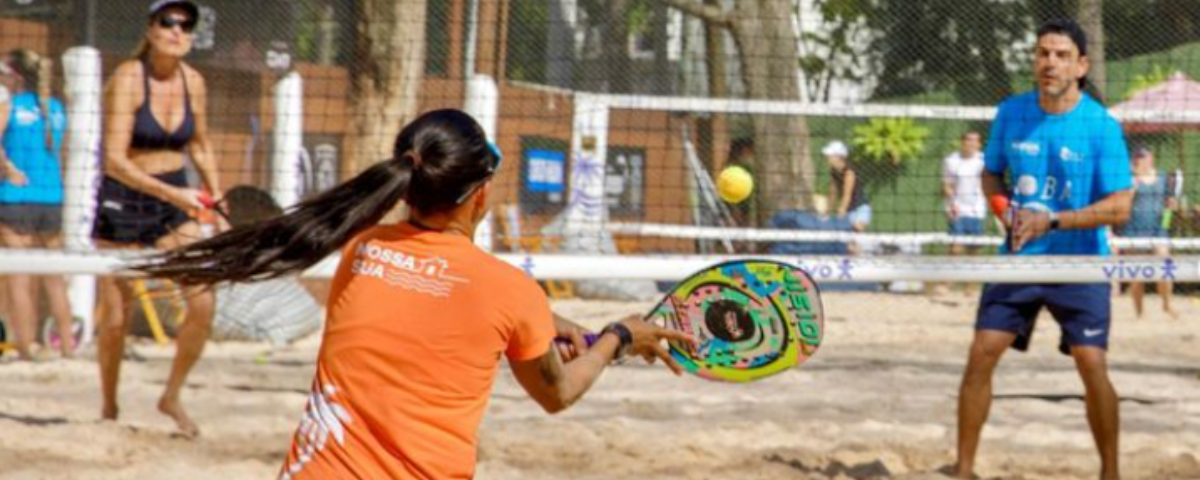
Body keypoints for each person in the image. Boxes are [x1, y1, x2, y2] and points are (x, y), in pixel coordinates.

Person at [136, 109, 694, 479]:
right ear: (481, 195)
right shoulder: (508, 290)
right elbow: (559, 393)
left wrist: (546, 320)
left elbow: (450, 293)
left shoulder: (363, 250)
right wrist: (620, 336)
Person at [953, 19, 1133, 480]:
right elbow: (991, 173)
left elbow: (1120, 208)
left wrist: (1053, 219)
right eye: (1042, 53)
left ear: (1081, 65)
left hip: (1081, 261)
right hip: (1020, 259)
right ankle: (964, 469)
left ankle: (1110, 472)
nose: (1049, 62)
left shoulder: (1100, 126)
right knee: (981, 353)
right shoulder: (1012, 113)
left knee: (1091, 365)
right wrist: (1004, 210)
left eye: (1060, 55)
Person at [92, 0, 220, 438]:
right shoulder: (129, 78)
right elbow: (112, 159)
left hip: (173, 196)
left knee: (203, 299)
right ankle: (109, 405)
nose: (177, 31)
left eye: (186, 25)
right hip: (124, 194)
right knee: (114, 315)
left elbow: (200, 145)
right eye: (168, 22)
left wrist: (214, 195)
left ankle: (171, 396)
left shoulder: (194, 82)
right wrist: (176, 194)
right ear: (150, 29)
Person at [0, 49, 75, 360]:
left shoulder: (9, 107)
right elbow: (64, 155)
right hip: (52, 198)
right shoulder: (57, 109)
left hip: (15, 197)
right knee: (54, 277)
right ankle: (69, 349)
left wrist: (9, 169)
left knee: (19, 277)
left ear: (15, 75)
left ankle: (27, 348)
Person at [1115, 145, 1178, 319]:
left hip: (1158, 229)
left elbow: (1169, 200)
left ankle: (1167, 304)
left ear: (1151, 159)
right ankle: (1139, 313)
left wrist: (1172, 204)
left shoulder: (1163, 177)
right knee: (1137, 276)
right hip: (1134, 230)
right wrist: (1133, 183)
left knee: (1166, 266)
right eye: (1137, 157)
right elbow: (1122, 202)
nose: (1139, 160)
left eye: (1143, 157)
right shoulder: (1129, 179)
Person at [938, 131, 987, 295]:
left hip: (977, 210)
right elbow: (947, 184)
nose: (971, 143)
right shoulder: (951, 161)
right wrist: (951, 203)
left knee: (974, 250)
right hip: (957, 209)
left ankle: (970, 288)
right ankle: (946, 284)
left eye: (975, 141)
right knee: (955, 248)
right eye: (968, 140)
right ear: (962, 142)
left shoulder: (984, 161)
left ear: (979, 144)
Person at [823, 140, 870, 232]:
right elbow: (832, 193)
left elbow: (847, 195)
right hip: (849, 210)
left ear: (839, 157)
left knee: (855, 238)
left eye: (830, 155)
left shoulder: (849, 172)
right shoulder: (833, 171)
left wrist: (841, 212)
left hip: (860, 209)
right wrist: (827, 213)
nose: (826, 157)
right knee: (849, 243)